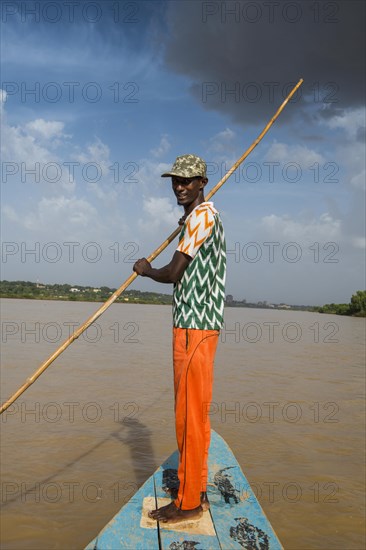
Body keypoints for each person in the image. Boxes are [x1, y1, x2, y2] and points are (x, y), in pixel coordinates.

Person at [133, 154, 226, 523]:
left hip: (193, 329)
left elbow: (173, 273)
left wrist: (145, 270)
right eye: (175, 181)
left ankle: (187, 504)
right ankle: (196, 490)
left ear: (202, 182)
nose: (180, 186)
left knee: (188, 417)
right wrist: (186, 221)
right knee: (195, 416)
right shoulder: (199, 218)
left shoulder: (203, 216)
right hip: (199, 328)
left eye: (187, 181)